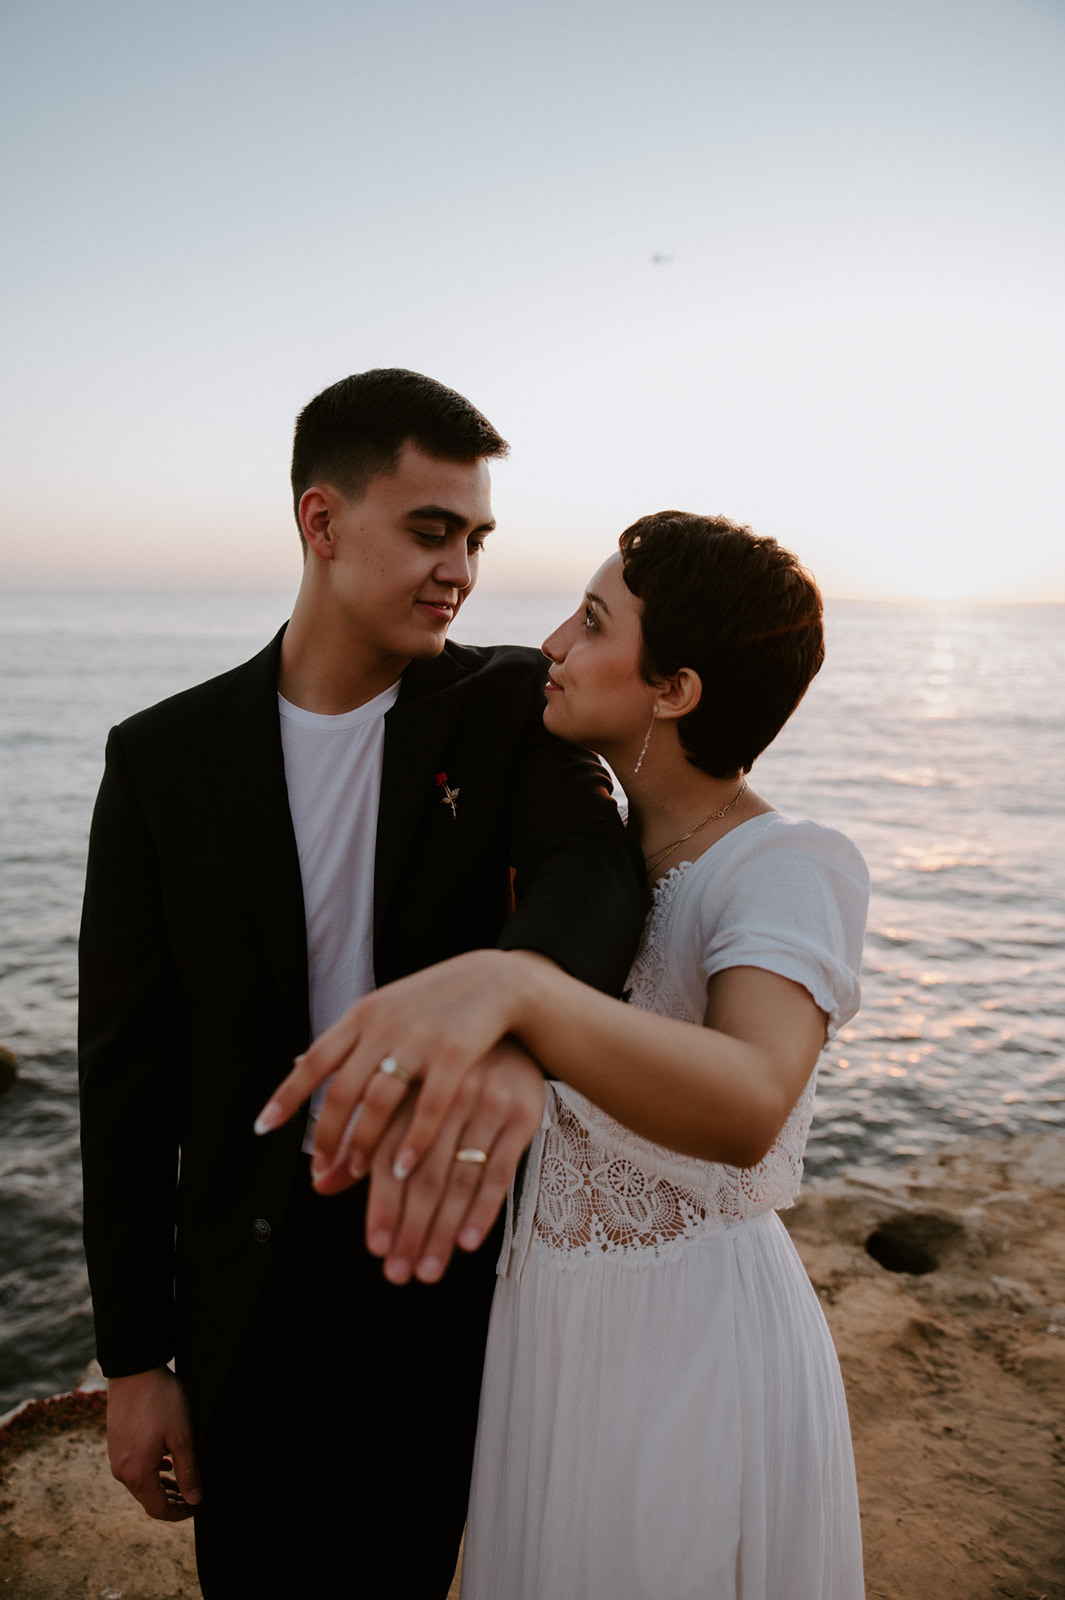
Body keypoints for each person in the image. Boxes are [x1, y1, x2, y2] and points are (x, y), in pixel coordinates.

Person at [77, 369, 646, 1599]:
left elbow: (592, 872)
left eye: (477, 539)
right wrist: (135, 1359)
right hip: (255, 1301)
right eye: (431, 532)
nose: (462, 572)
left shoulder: (504, 704)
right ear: (322, 523)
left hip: (468, 1277)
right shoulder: (163, 760)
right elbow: (125, 1080)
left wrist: (511, 1012)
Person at [263, 510, 870, 1600]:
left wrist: (521, 988)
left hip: (688, 1341)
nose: (551, 642)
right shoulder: (590, 857)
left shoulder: (788, 865)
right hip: (547, 1326)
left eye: (592, 622)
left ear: (674, 689)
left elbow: (749, 1098)